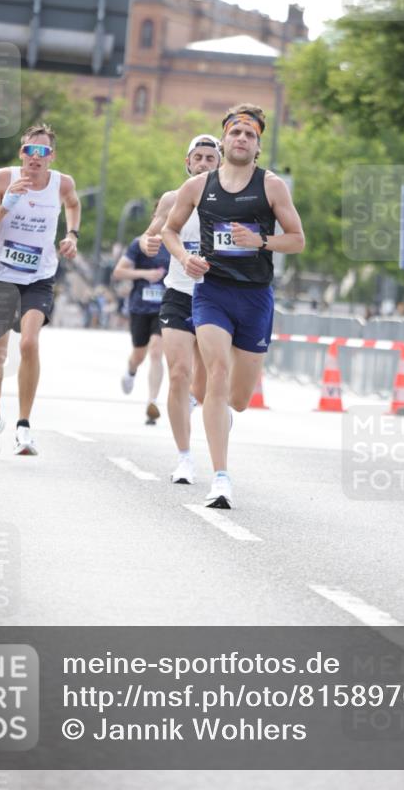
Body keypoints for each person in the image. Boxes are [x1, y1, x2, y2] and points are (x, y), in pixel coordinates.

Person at [162, 104, 305, 509]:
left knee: (237, 399)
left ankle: (219, 414)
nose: (241, 139)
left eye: (250, 135)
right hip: (211, 292)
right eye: (235, 133)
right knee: (216, 376)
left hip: (255, 297)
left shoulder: (272, 187)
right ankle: (221, 478)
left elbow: (297, 239)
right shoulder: (198, 187)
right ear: (223, 140)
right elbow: (170, 230)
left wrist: (260, 241)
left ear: (258, 146)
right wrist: (183, 257)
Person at [0, 123, 80, 459]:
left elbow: (74, 204)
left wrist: (72, 235)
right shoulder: (4, 178)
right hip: (1, 275)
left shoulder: (62, 183)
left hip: (39, 276)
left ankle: (23, 424)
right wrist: (7, 203)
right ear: (22, 153)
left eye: (43, 152)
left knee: (30, 342)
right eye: (30, 151)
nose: (36, 158)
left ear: (51, 157)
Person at [139, 134, 221, 484]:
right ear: (187, 162)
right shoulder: (174, 199)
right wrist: (149, 241)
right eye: (198, 157)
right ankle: (184, 458)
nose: (203, 163)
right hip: (178, 293)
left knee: (204, 386)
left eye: (210, 158)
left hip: (216, 296)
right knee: (177, 373)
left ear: (220, 164)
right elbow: (149, 236)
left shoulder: (231, 202)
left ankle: (189, 405)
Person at [112, 232, 170, 426]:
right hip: (140, 306)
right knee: (139, 354)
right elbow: (118, 272)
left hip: (164, 307)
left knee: (156, 351)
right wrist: (145, 274)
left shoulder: (176, 243)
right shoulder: (140, 243)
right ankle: (131, 371)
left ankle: (152, 402)